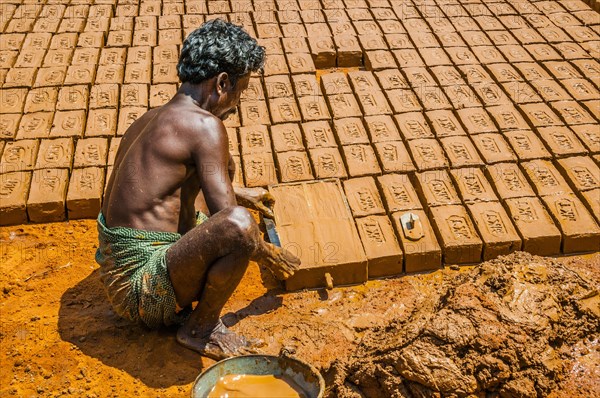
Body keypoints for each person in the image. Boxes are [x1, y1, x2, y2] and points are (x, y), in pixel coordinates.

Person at [95, 19, 301, 360]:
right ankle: (200, 328)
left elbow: (169, 188)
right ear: (222, 83)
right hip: (144, 290)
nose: (238, 103)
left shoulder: (151, 117)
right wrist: (271, 255)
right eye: (241, 90)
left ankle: (197, 313)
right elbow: (232, 224)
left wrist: (243, 193)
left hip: (118, 271)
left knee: (226, 175)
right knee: (240, 225)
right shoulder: (206, 126)